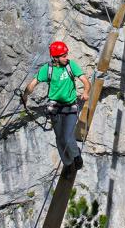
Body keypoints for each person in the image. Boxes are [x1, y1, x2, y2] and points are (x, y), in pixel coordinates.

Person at [22, 41, 91, 179]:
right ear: (55, 58)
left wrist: (86, 92)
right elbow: (33, 83)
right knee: (59, 139)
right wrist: (25, 95)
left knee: (67, 136)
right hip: (55, 108)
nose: (66, 57)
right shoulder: (47, 69)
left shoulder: (71, 65)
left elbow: (85, 81)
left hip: (70, 106)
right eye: (63, 55)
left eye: (66, 54)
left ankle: (76, 156)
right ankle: (67, 163)